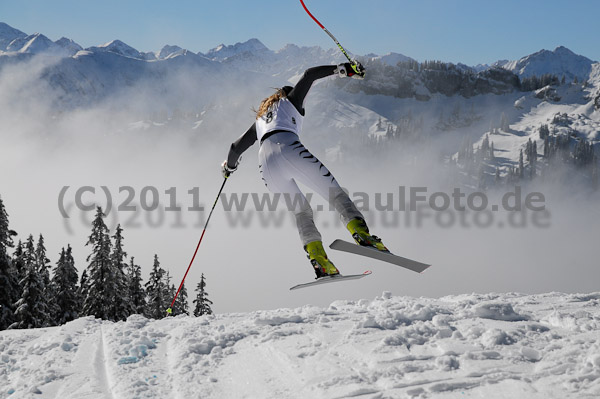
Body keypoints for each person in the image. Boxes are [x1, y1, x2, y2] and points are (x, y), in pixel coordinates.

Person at [222, 62, 388, 279]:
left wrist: (229, 168)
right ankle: (363, 235)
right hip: (289, 148)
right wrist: (345, 69)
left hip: (266, 166)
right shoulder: (289, 100)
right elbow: (310, 75)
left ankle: (319, 260)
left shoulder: (260, 120)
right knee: (335, 194)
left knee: (301, 212)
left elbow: (235, 148)